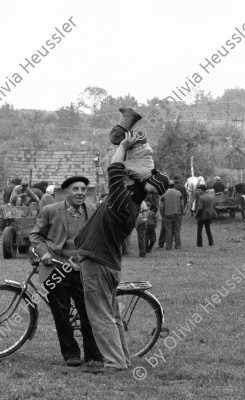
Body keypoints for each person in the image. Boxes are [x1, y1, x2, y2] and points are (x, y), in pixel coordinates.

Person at [74, 131, 169, 373]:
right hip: (108, 264)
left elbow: (114, 170)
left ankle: (114, 362)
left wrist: (125, 144)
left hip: (97, 264)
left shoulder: (122, 204)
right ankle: (123, 359)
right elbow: (121, 175)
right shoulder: (131, 205)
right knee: (112, 316)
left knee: (100, 316)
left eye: (131, 180)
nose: (127, 180)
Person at [30, 175, 103, 367]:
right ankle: (71, 353)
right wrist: (44, 253)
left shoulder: (92, 210)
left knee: (88, 312)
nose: (80, 193)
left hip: (83, 270)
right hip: (57, 269)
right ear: (66, 192)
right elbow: (35, 235)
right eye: (75, 189)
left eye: (82, 189)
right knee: (61, 314)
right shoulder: (50, 210)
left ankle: (93, 354)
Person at [109, 107, 154, 182]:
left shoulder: (141, 175)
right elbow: (115, 168)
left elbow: (117, 168)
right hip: (139, 146)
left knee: (116, 138)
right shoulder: (140, 175)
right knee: (115, 139)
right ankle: (129, 116)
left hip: (140, 146)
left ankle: (131, 117)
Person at [160, 180, 184, 250]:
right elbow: (182, 204)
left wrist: (162, 215)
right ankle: (178, 245)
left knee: (168, 231)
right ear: (174, 186)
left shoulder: (164, 194)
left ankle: (169, 246)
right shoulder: (179, 193)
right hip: (177, 214)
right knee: (177, 231)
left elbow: (161, 206)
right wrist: (181, 213)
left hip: (167, 214)